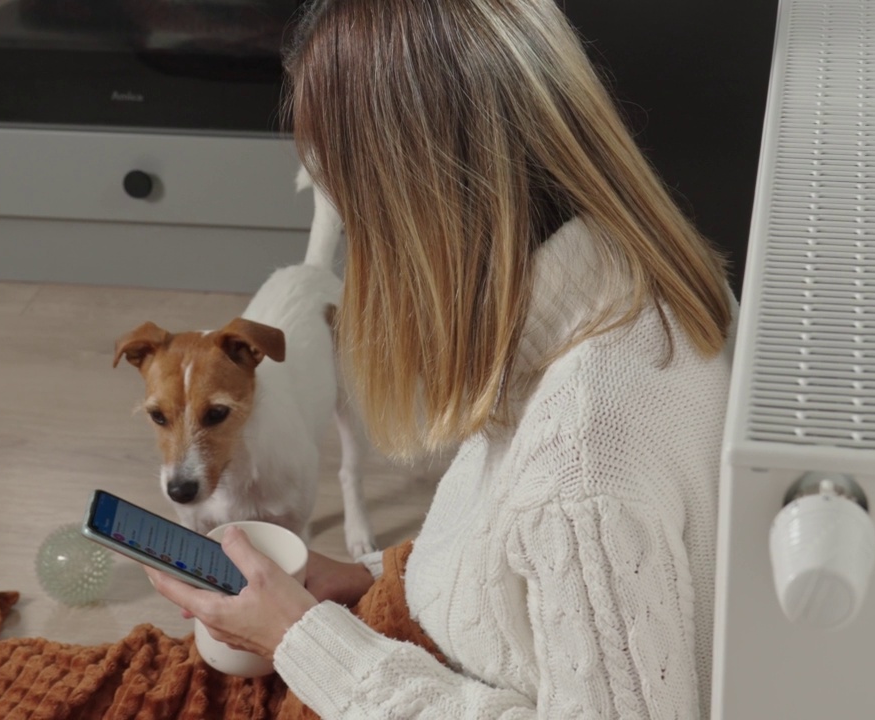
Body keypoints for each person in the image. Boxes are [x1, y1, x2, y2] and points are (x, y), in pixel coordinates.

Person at [146, 0, 734, 716]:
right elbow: (522, 572)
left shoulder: (580, 466)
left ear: (406, 208)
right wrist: (367, 578)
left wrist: (306, 639)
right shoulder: (637, 290)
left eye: (349, 200)